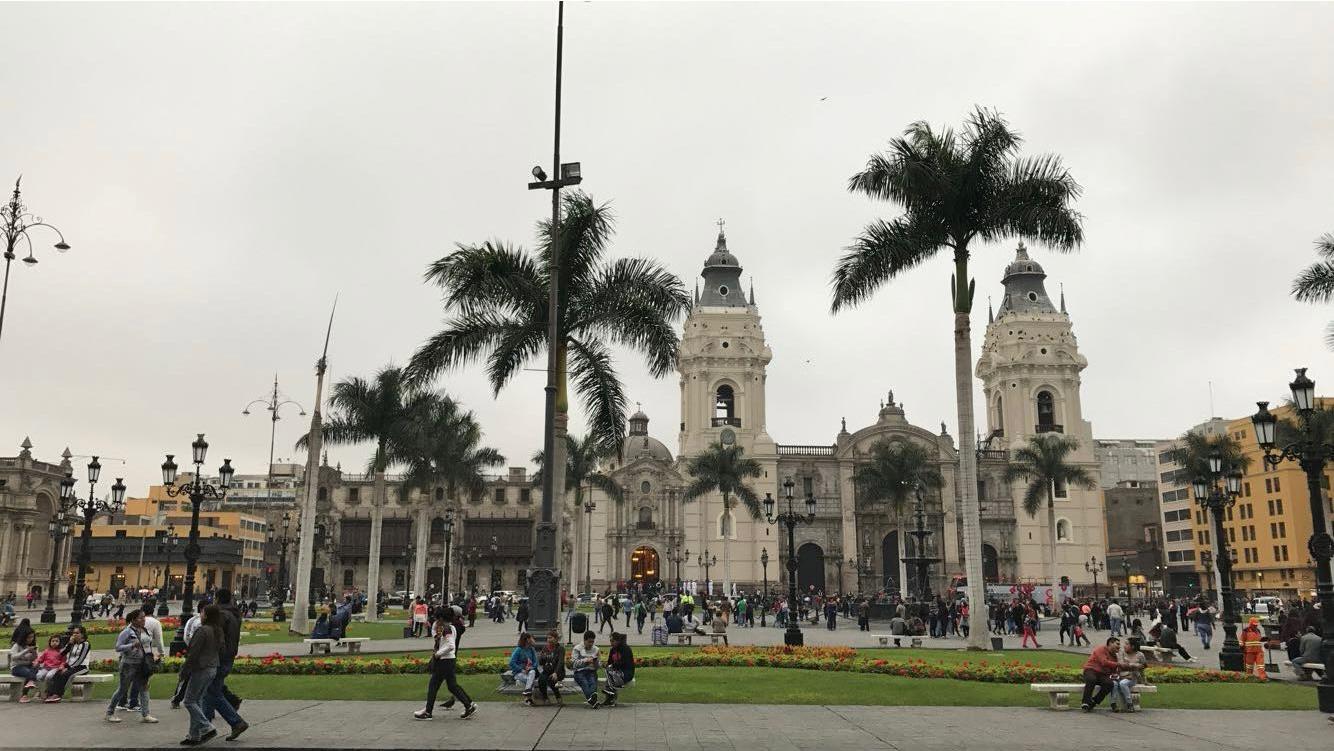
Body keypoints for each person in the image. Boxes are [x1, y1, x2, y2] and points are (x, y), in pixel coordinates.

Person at [413, 607, 477, 720]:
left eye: (437, 618)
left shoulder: (447, 629)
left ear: (441, 618)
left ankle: (428, 711)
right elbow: (436, 636)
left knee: (434, 685)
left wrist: (438, 654)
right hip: (448, 660)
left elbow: (450, 645)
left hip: (444, 660)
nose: (435, 620)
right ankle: (469, 705)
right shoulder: (446, 627)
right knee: (452, 686)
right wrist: (434, 626)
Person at [203, 589, 248, 740]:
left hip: (219, 658)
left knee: (212, 691)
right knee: (211, 690)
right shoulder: (234, 613)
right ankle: (205, 724)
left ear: (216, 599)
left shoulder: (221, 615)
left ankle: (236, 722)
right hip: (229, 656)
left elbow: (216, 636)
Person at [180, 605, 224, 745]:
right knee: (197, 700)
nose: (200, 614)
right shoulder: (218, 630)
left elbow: (193, 653)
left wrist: (184, 671)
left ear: (207, 615)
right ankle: (194, 735)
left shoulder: (202, 630)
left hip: (201, 668)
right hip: (212, 667)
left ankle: (207, 727)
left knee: (189, 701)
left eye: (202, 613)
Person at [105, 609, 158, 723]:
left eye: (144, 617)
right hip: (129, 664)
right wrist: (132, 645)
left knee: (144, 688)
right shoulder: (127, 632)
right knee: (123, 689)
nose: (143, 620)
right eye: (140, 618)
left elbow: (147, 644)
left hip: (142, 664)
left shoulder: (144, 630)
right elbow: (118, 647)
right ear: (133, 620)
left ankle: (146, 714)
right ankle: (110, 712)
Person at [45, 626, 90, 703]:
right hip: (71, 666)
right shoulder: (73, 644)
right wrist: (69, 644)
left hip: (81, 667)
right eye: (74, 633)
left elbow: (81, 658)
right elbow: (61, 654)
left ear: (82, 634)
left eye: (77, 633)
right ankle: (50, 693)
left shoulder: (85, 644)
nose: (75, 635)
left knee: (65, 674)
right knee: (57, 673)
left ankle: (58, 694)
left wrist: (69, 667)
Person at [1080, 636, 1121, 711]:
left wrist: (1116, 674)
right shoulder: (1101, 649)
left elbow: (1113, 670)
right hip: (1091, 670)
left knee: (1109, 684)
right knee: (1092, 679)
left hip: (1102, 675)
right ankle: (1085, 702)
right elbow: (1104, 662)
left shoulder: (1114, 656)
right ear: (1110, 643)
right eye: (1117, 644)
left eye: (1119, 645)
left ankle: (1094, 701)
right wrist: (1119, 664)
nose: (1119, 646)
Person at [1111, 636, 1146, 712]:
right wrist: (1134, 665)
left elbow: (1142, 668)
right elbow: (1121, 664)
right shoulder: (1122, 653)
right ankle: (1114, 704)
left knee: (1123, 683)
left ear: (1132, 646)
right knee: (1115, 684)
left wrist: (1144, 681)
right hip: (1121, 676)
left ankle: (1129, 704)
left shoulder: (1140, 655)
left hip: (1132, 678)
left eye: (1126, 644)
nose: (1124, 646)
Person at [602, 631, 634, 707]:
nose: (611, 643)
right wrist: (606, 664)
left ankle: (610, 698)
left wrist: (612, 666)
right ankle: (610, 699)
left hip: (626, 672)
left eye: (613, 641)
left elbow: (624, 662)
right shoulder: (612, 650)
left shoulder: (625, 649)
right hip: (615, 672)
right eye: (610, 641)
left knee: (610, 677)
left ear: (618, 641)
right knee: (609, 674)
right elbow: (610, 662)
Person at [535, 629, 565, 706]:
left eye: (551, 637)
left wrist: (555, 673)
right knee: (541, 680)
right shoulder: (545, 648)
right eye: (548, 638)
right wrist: (542, 658)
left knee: (551, 679)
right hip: (547, 671)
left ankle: (558, 696)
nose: (549, 639)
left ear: (556, 639)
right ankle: (545, 698)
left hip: (558, 671)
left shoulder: (560, 649)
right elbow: (541, 663)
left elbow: (560, 662)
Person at [571, 630, 600, 708]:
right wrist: (586, 661)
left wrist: (596, 662)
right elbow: (574, 664)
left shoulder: (596, 649)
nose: (591, 644)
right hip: (579, 672)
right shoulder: (577, 648)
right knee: (585, 683)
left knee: (593, 682)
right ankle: (593, 700)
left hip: (591, 671)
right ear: (584, 640)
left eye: (592, 642)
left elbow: (597, 667)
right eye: (589, 642)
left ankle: (591, 701)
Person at [33, 635, 67, 701]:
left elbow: (64, 661)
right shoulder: (46, 651)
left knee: (49, 676)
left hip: (55, 668)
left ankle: (48, 691)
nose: (54, 642)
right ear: (50, 642)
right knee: (38, 676)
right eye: (53, 641)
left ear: (60, 642)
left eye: (57, 641)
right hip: (46, 668)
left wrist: (61, 666)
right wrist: (36, 662)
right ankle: (42, 691)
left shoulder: (61, 652)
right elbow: (40, 659)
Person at [8, 629, 39, 703]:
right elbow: (13, 657)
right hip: (16, 667)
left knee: (36, 668)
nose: (30, 639)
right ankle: (24, 695)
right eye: (28, 637)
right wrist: (26, 650)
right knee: (29, 672)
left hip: (28, 666)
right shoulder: (17, 645)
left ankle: (25, 694)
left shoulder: (32, 645)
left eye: (32, 637)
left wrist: (34, 652)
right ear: (24, 637)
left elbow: (33, 658)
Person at [508, 633, 539, 705]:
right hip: (519, 673)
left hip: (529, 672)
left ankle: (527, 691)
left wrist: (531, 667)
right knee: (531, 681)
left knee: (532, 672)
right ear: (528, 640)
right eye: (532, 638)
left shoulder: (532, 649)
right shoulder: (519, 649)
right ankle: (528, 698)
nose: (534, 640)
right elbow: (511, 663)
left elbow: (536, 662)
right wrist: (522, 670)